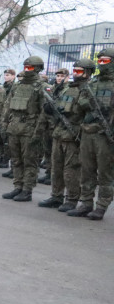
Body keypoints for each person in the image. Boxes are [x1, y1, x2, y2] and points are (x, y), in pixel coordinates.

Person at [68, 47, 114, 220]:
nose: (101, 64)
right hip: (88, 132)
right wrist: (89, 105)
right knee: (87, 170)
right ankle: (86, 202)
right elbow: (81, 101)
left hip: (106, 134)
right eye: (99, 61)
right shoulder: (92, 83)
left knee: (105, 172)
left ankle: (101, 205)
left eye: (105, 61)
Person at [40, 59, 90, 211]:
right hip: (59, 132)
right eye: (74, 71)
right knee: (56, 167)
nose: (76, 74)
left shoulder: (88, 90)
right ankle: (56, 196)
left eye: (79, 71)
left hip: (73, 134)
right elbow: (58, 105)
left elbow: (88, 113)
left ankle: (72, 198)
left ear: (88, 72)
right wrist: (50, 108)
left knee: (71, 169)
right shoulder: (67, 89)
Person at [1, 56, 47, 203]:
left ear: (38, 69)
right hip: (14, 127)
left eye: (30, 68)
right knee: (16, 160)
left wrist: (38, 132)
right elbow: (7, 106)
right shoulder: (17, 86)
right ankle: (17, 186)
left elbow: (44, 113)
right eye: (25, 67)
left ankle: (27, 190)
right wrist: (4, 125)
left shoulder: (42, 87)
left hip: (30, 129)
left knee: (29, 161)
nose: (27, 70)